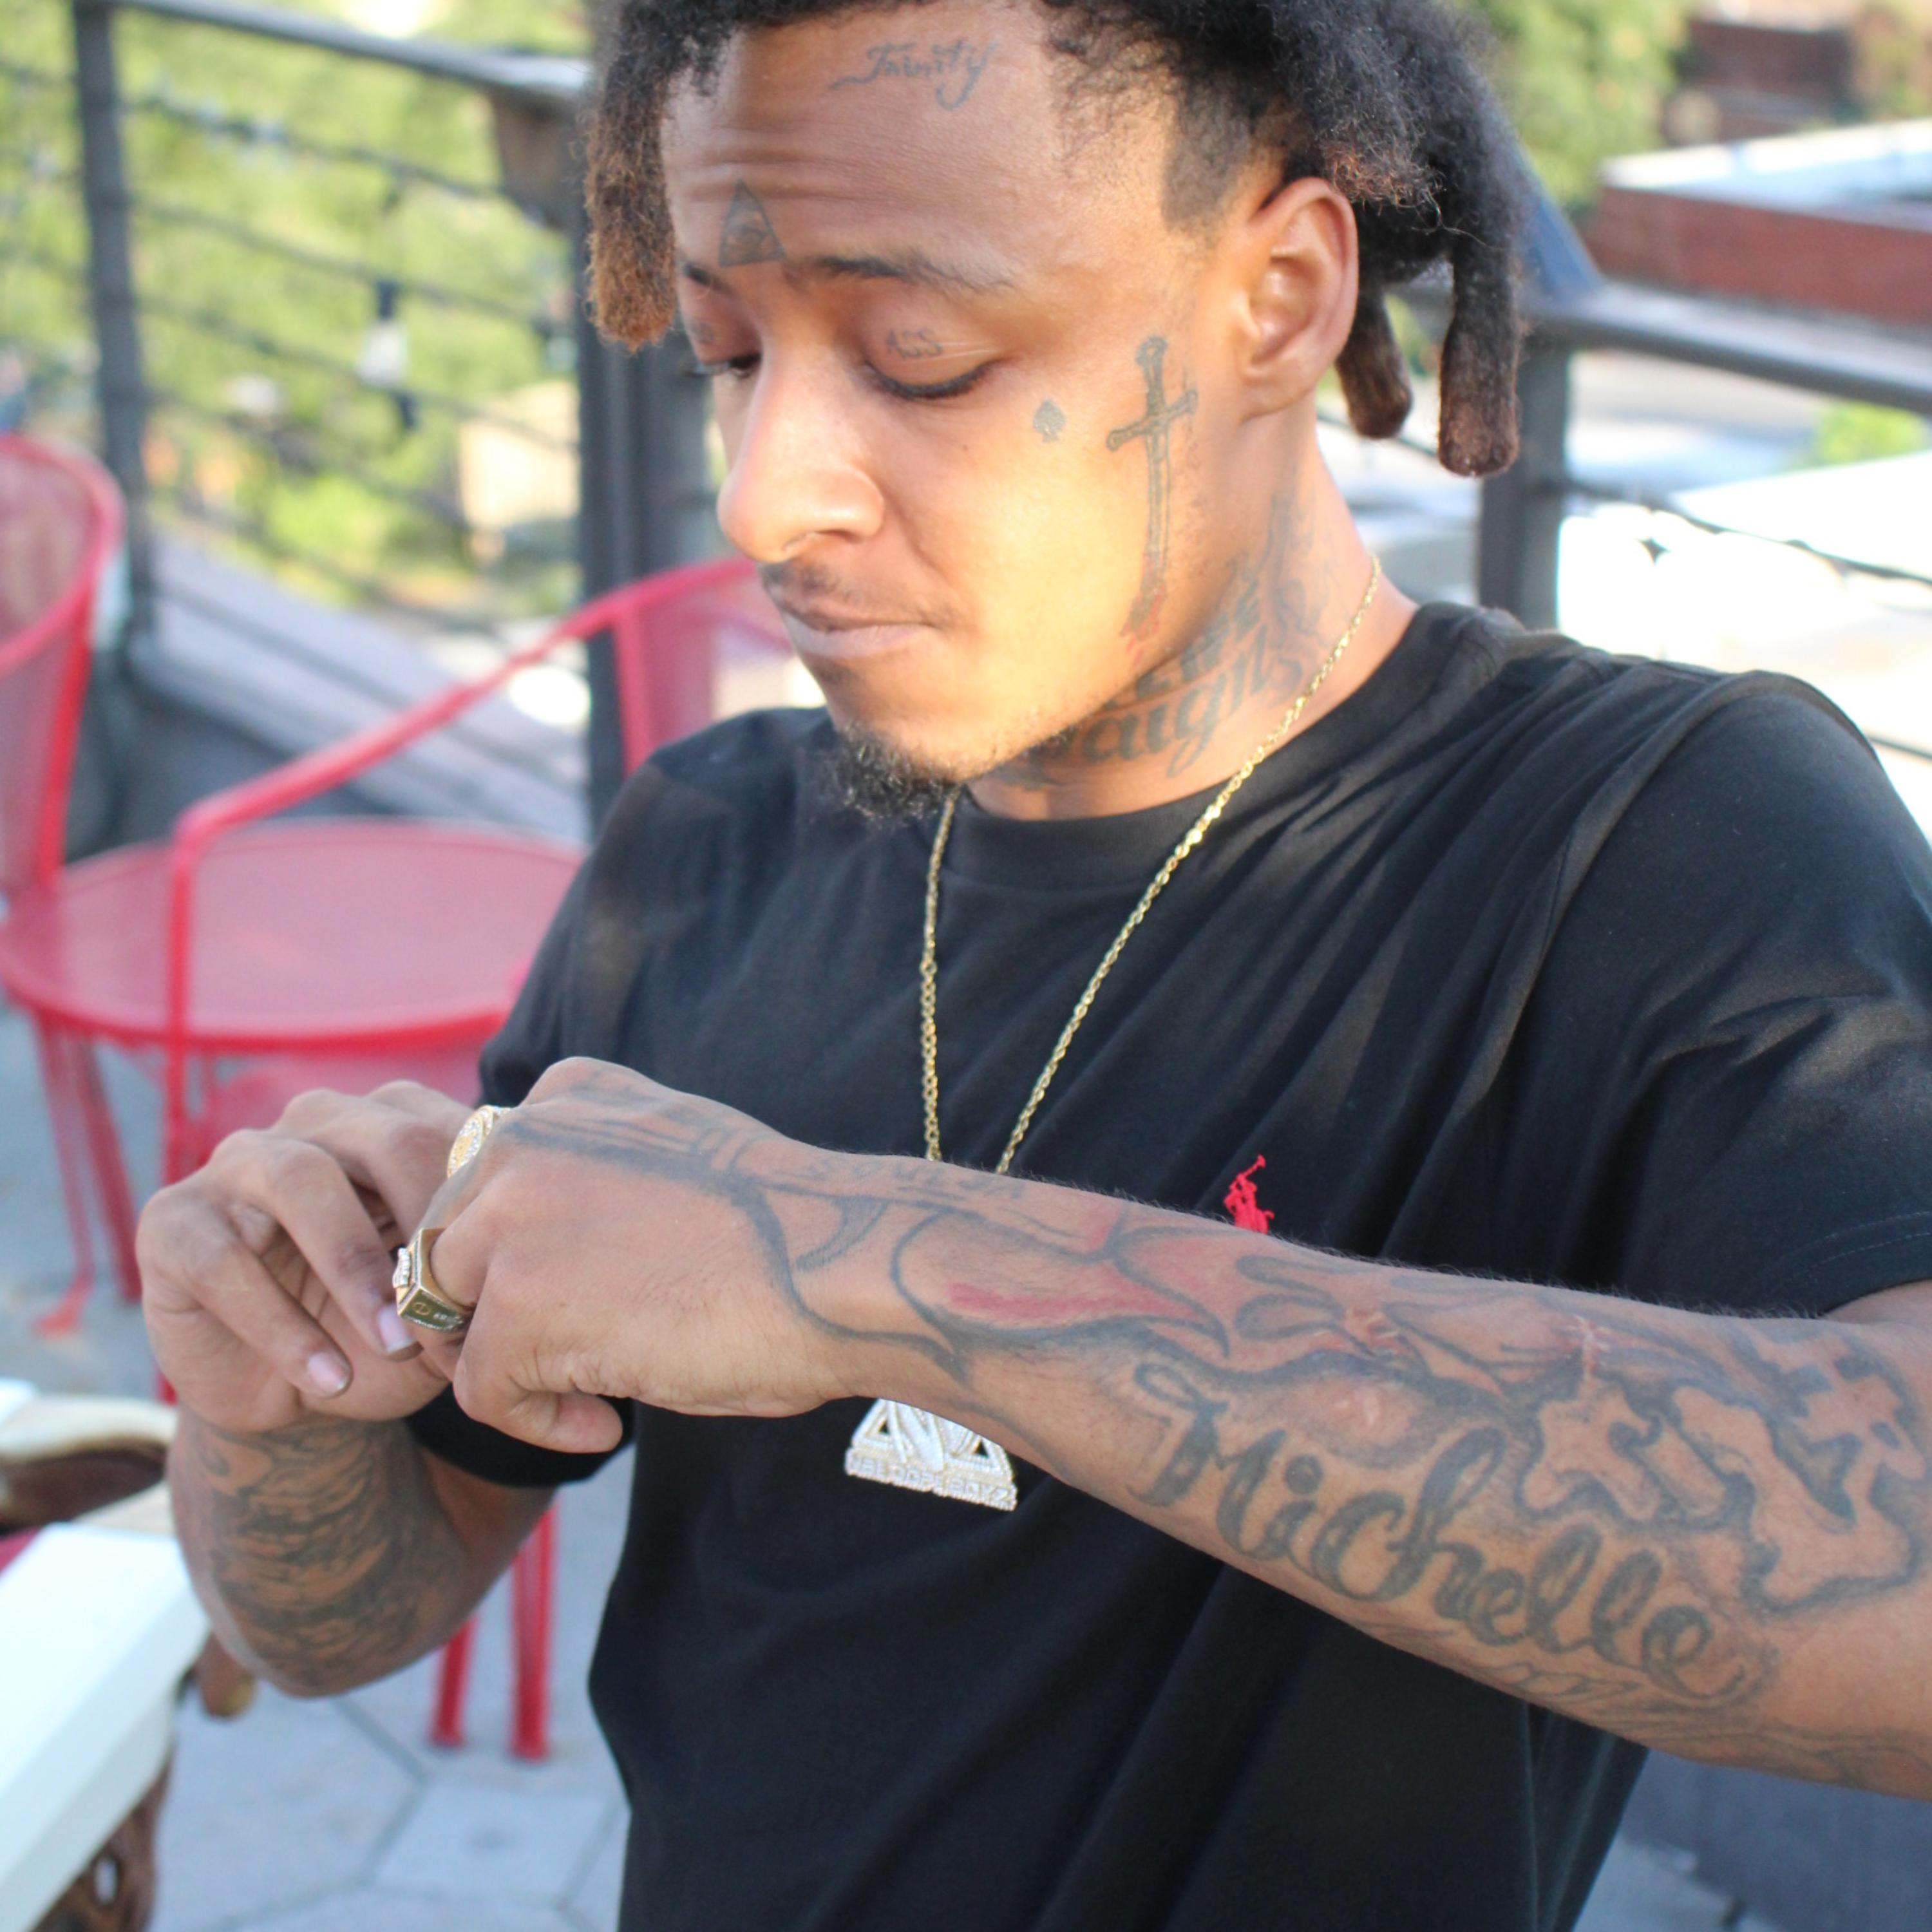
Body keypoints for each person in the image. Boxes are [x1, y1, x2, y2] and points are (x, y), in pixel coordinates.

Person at [139, 1, 1932, 1927]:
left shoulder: (1651, 841)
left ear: (1279, 299)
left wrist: (850, 1267)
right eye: (729, 356)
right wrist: (271, 1389)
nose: (763, 491)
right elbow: (336, 1617)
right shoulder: (702, 850)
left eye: (923, 357)